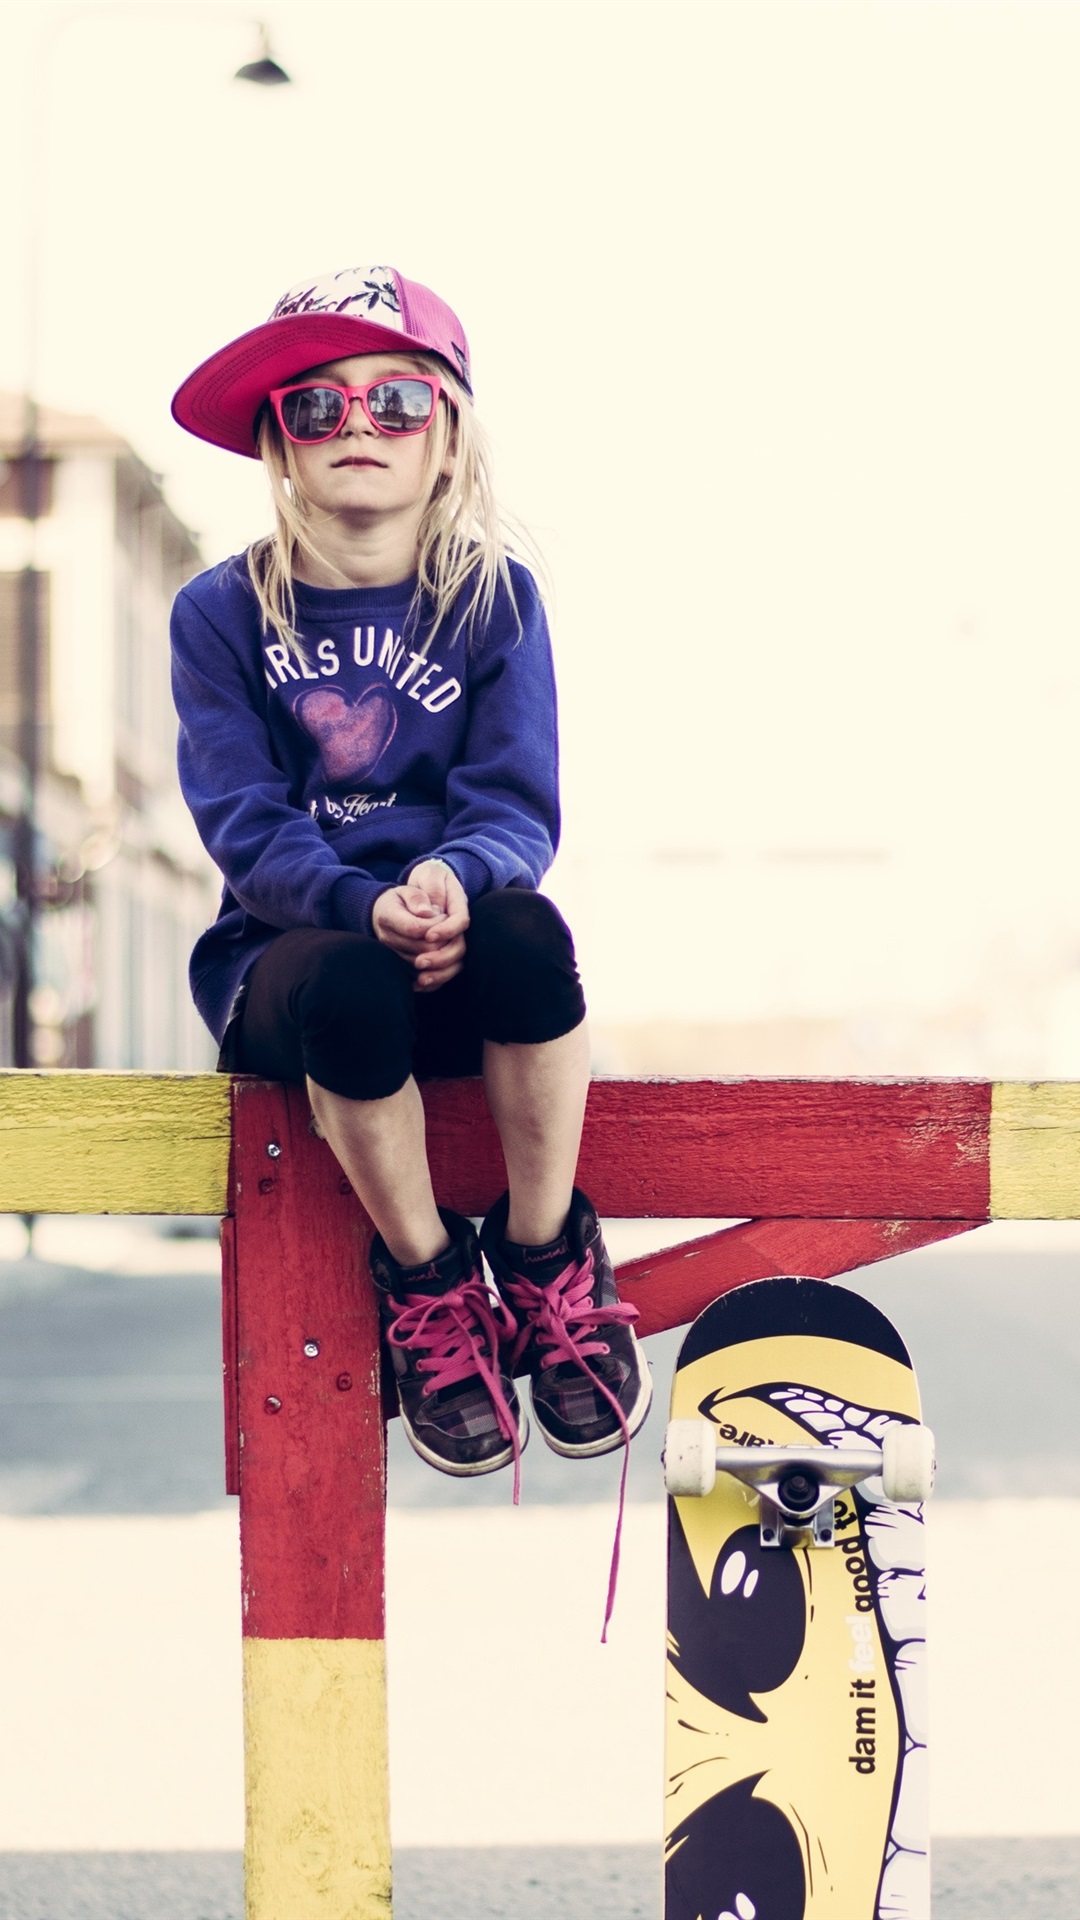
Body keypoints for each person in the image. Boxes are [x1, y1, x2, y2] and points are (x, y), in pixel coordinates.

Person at [169, 265, 652, 1521]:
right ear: (280, 443)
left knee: (531, 936)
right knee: (346, 982)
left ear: (448, 435)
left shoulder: (493, 599)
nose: (358, 429)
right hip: (302, 962)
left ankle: (545, 1256)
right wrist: (354, 900)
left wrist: (446, 875)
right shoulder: (219, 612)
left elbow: (514, 804)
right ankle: (428, 1275)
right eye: (317, 408)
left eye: (393, 400)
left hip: (461, 934)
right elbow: (241, 818)